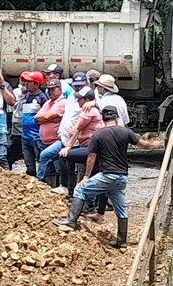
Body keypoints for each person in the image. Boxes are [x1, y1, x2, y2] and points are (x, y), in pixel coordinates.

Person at [57, 106, 160, 248]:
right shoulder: (126, 132)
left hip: (107, 175)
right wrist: (162, 143)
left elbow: (91, 157)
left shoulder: (98, 135)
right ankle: (122, 241)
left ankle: (71, 220)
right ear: (116, 118)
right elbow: (145, 145)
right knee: (121, 209)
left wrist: (86, 176)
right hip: (122, 177)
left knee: (80, 190)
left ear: (102, 118)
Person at [54, 87, 98, 193]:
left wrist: (68, 147)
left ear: (87, 100)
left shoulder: (88, 111)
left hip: (90, 147)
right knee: (70, 159)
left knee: (63, 155)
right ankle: (70, 191)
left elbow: (77, 130)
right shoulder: (91, 109)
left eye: (80, 99)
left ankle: (65, 187)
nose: (78, 101)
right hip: (90, 146)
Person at [35, 75, 69, 185]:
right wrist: (46, 118)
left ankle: (38, 181)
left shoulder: (62, 102)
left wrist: (45, 118)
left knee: (46, 157)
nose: (50, 92)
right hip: (45, 141)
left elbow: (45, 117)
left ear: (60, 89)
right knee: (50, 168)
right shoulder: (48, 103)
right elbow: (37, 118)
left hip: (58, 140)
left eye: (53, 89)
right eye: (49, 89)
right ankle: (49, 188)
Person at [17, 71, 48, 177]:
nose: (26, 84)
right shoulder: (26, 96)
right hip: (25, 135)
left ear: (36, 84)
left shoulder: (42, 98)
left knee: (41, 161)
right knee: (29, 164)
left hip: (36, 136)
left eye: (29, 82)